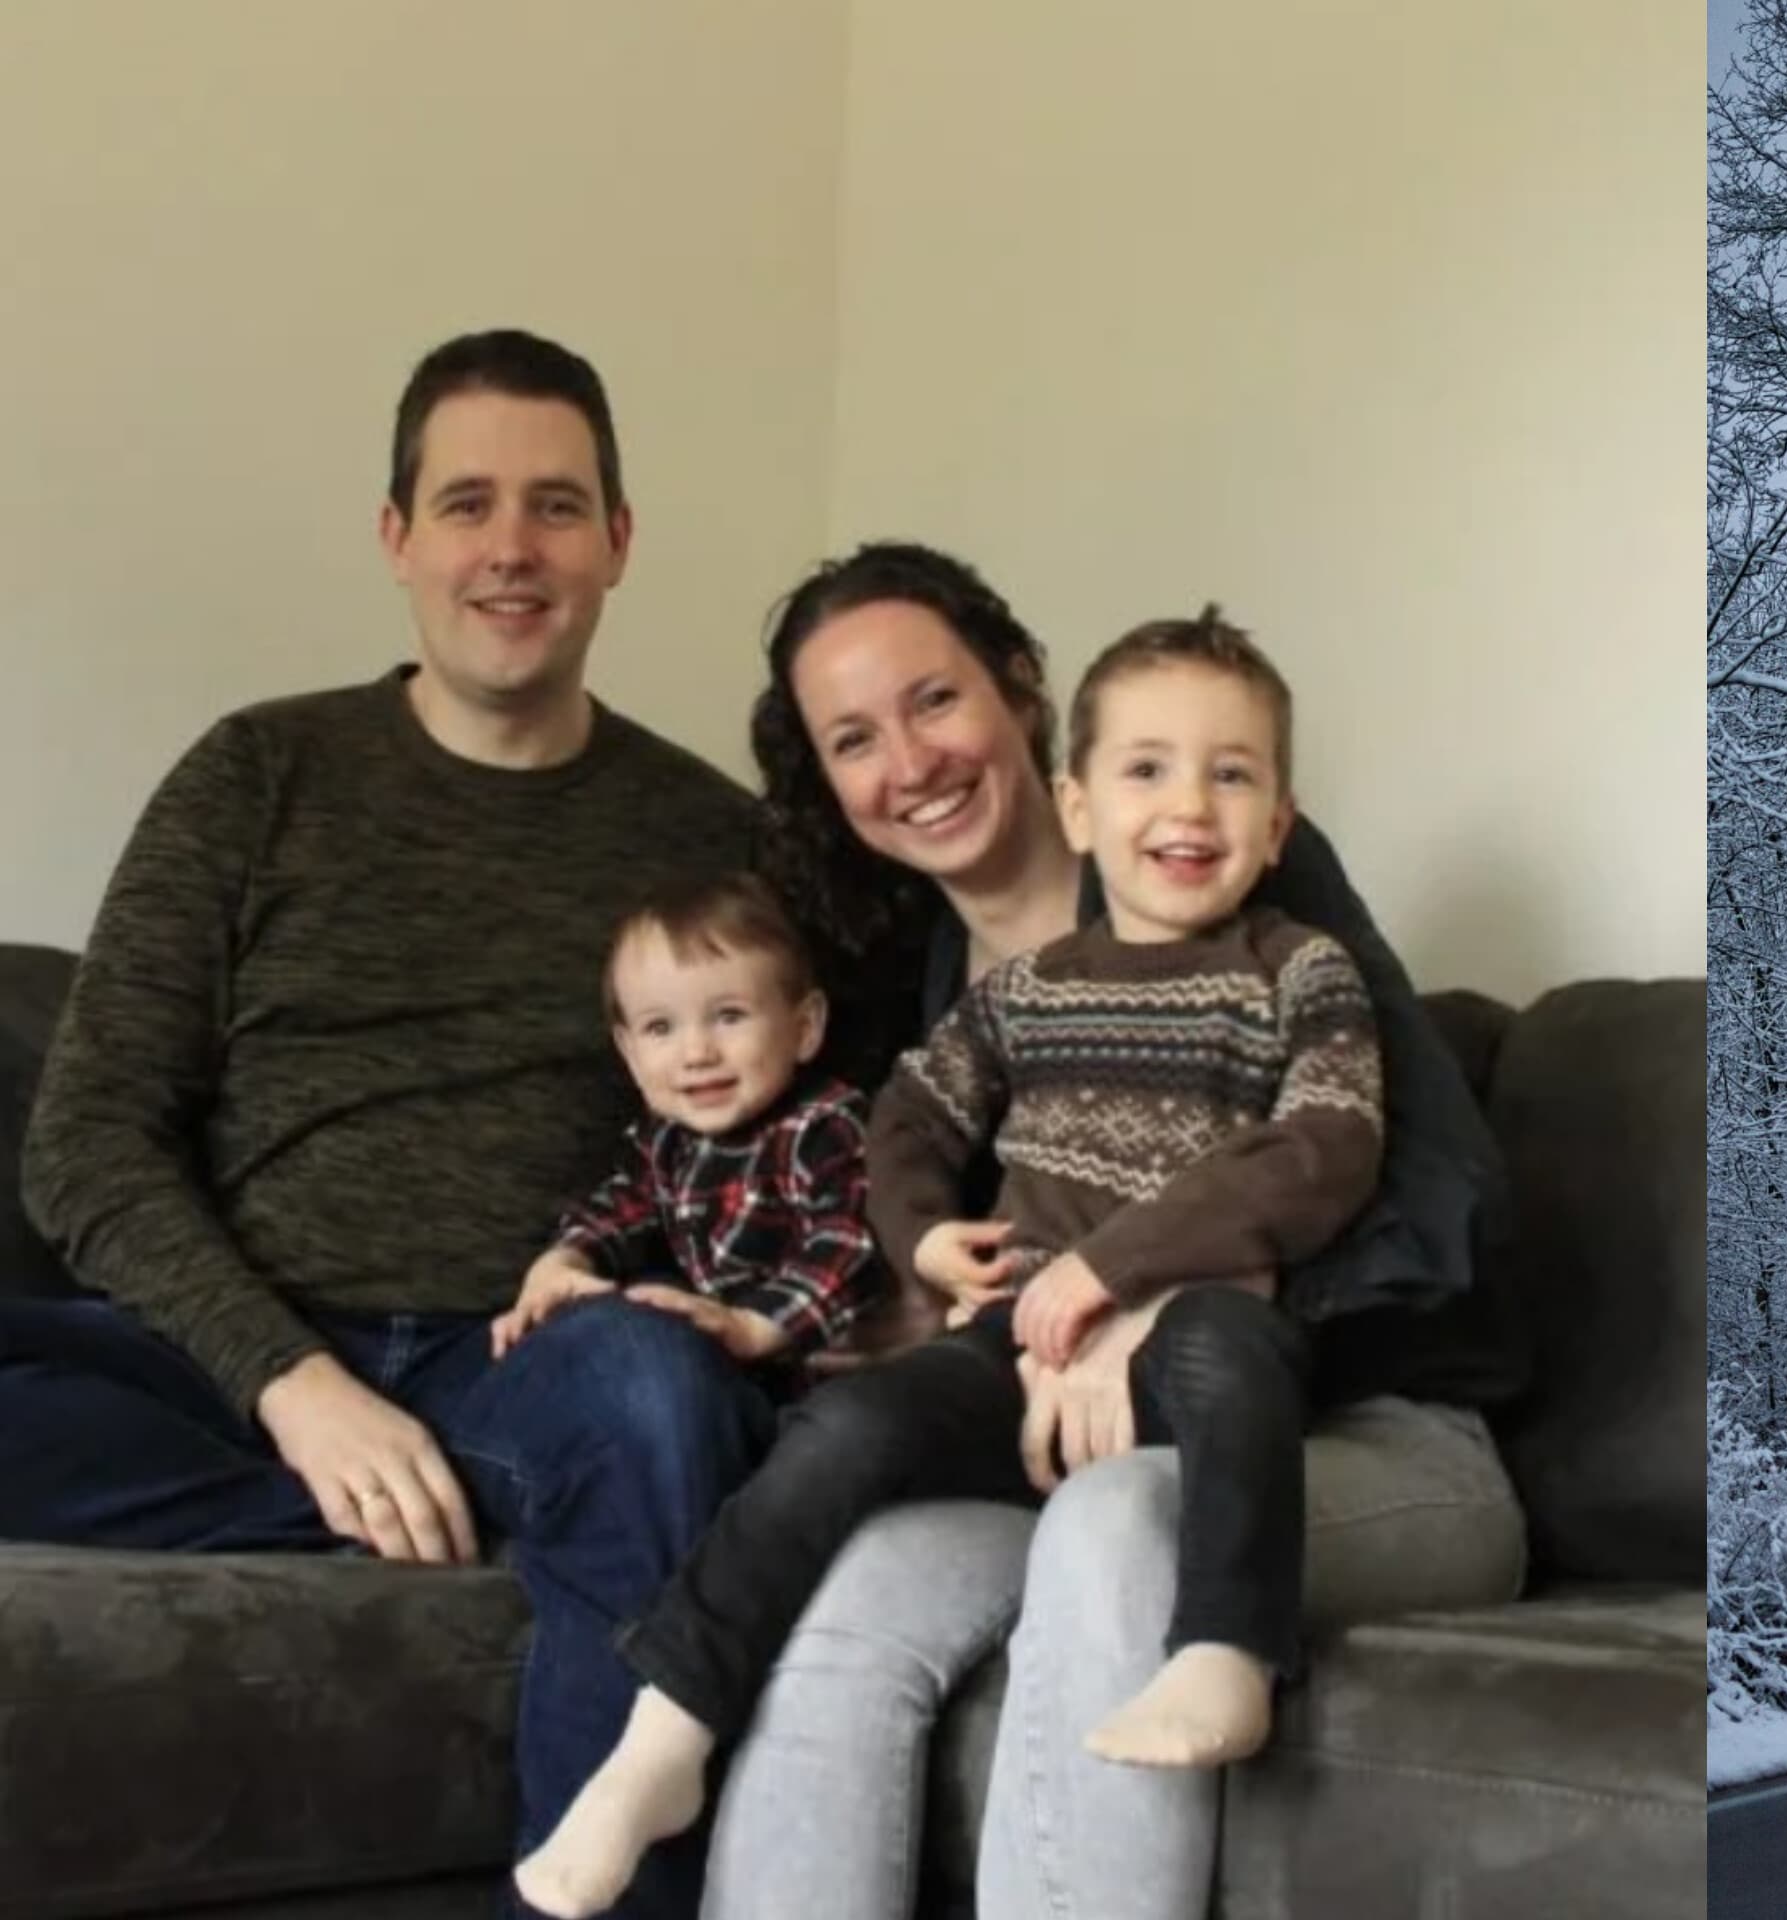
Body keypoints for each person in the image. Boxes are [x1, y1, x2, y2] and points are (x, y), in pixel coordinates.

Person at [0, 329, 768, 1918]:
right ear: (396, 535)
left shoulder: (709, 840)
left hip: (531, 1362)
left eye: (557, 506)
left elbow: (854, 1092)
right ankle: (435, 1513)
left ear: (620, 543)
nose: (510, 547)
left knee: (650, 1390)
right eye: (467, 501)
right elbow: (84, 1140)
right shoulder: (255, 775)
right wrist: (296, 1390)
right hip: (238, 1376)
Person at [696, 545, 1527, 1920]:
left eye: (934, 701)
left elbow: (1424, 1196)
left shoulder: (1241, 884)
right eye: (856, 739)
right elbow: (924, 1229)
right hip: (1062, 1438)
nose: (910, 761)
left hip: (1371, 1432)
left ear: (1022, 692)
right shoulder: (938, 983)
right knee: (856, 1594)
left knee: (1112, 1523)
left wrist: (1147, 1304)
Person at [520, 616, 1392, 1916]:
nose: (1190, 805)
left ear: (1280, 824)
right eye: (1149, 771)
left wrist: (1108, 1275)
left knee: (1234, 1350)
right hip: (1021, 1344)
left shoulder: (1297, 969)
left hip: (1195, 1323)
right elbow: (907, 1116)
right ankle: (667, 1734)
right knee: (852, 1422)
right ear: (1081, 807)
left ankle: (1226, 1647)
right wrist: (921, 1231)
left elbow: (1326, 1146)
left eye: (1233, 774)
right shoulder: (1029, 986)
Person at [494, 871, 884, 1373]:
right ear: (629, 1053)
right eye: (660, 1027)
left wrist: (754, 1325)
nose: (697, 1053)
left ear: (804, 1028)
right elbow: (622, 1208)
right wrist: (566, 1259)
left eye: (729, 1016)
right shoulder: (666, 1141)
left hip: (835, 1366)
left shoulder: (824, 1128)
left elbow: (849, 1243)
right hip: (738, 1370)